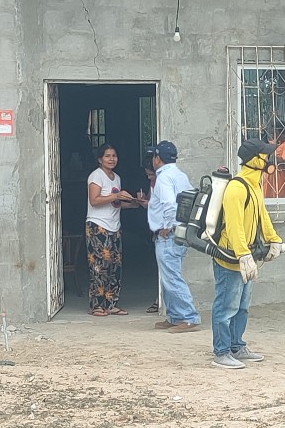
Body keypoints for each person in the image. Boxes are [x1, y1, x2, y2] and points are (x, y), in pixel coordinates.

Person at [211, 138, 285, 369]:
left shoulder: (255, 185)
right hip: (230, 258)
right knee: (226, 307)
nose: (269, 160)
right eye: (265, 156)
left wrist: (274, 240)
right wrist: (243, 255)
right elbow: (234, 226)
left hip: (247, 257)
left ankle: (236, 346)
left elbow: (263, 216)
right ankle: (221, 352)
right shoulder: (236, 188)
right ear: (255, 160)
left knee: (242, 307)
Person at [146, 140, 201, 333]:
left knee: (172, 278)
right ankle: (174, 317)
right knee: (167, 277)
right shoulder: (179, 175)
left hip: (169, 235)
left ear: (157, 158)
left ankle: (189, 317)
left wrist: (167, 226)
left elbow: (170, 205)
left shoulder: (163, 177)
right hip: (180, 233)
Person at [85, 144, 138, 317]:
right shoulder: (96, 176)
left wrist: (133, 203)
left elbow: (115, 203)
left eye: (114, 156)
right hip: (98, 226)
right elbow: (94, 200)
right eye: (107, 156)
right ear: (100, 159)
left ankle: (110, 303)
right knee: (99, 267)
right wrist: (116, 195)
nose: (111, 159)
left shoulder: (117, 178)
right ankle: (96, 305)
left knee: (114, 267)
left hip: (115, 226)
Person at [136, 157, 160, 314]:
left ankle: (161, 302)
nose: (149, 178)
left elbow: (165, 205)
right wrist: (144, 201)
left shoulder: (163, 182)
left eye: (151, 174)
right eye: (147, 175)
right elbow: (151, 203)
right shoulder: (153, 183)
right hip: (156, 229)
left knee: (168, 272)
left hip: (164, 230)